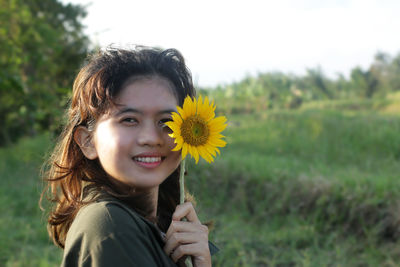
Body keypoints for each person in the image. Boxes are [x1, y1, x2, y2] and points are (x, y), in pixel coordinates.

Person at [41, 46, 218, 266]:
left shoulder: (154, 223)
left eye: (166, 121)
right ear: (88, 141)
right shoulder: (111, 227)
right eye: (129, 120)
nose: (151, 138)